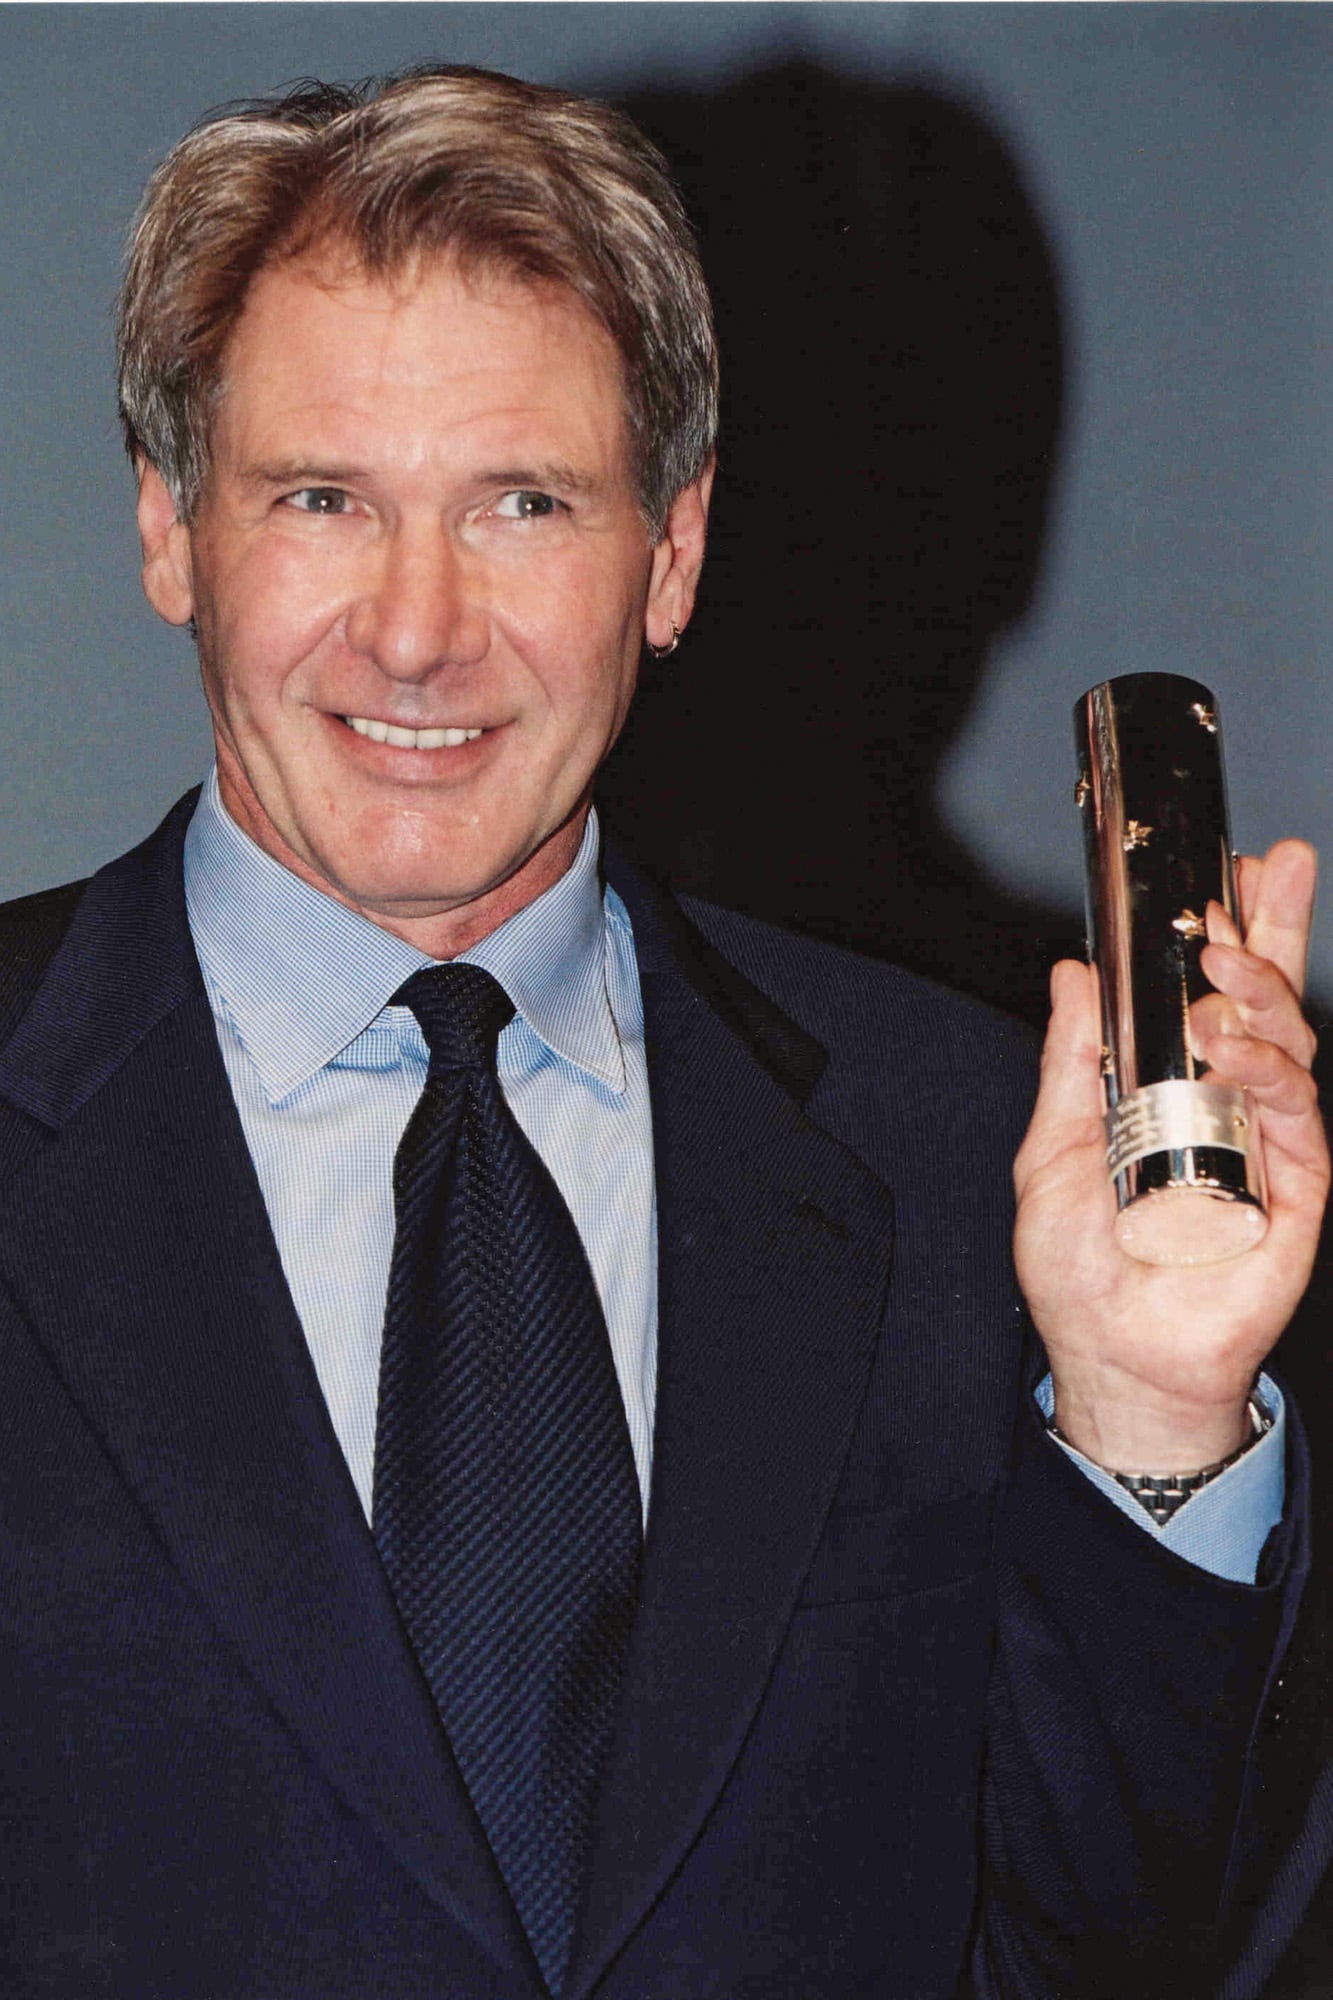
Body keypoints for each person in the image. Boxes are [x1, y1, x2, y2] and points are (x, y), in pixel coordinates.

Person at [0, 64, 1323, 2000]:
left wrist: (1151, 1423)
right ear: (171, 531)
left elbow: (1111, 1949)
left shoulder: (974, 1153)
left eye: (524, 502)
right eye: (321, 499)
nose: (419, 629)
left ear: (675, 552)